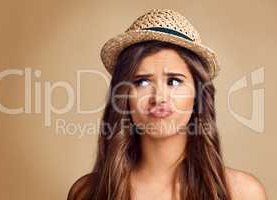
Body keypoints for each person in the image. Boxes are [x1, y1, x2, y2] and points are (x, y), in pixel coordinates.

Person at [67, 8, 267, 200]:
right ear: (124, 96)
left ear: (198, 93)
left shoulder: (243, 193)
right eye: (142, 82)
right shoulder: (86, 193)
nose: (159, 98)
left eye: (174, 81)